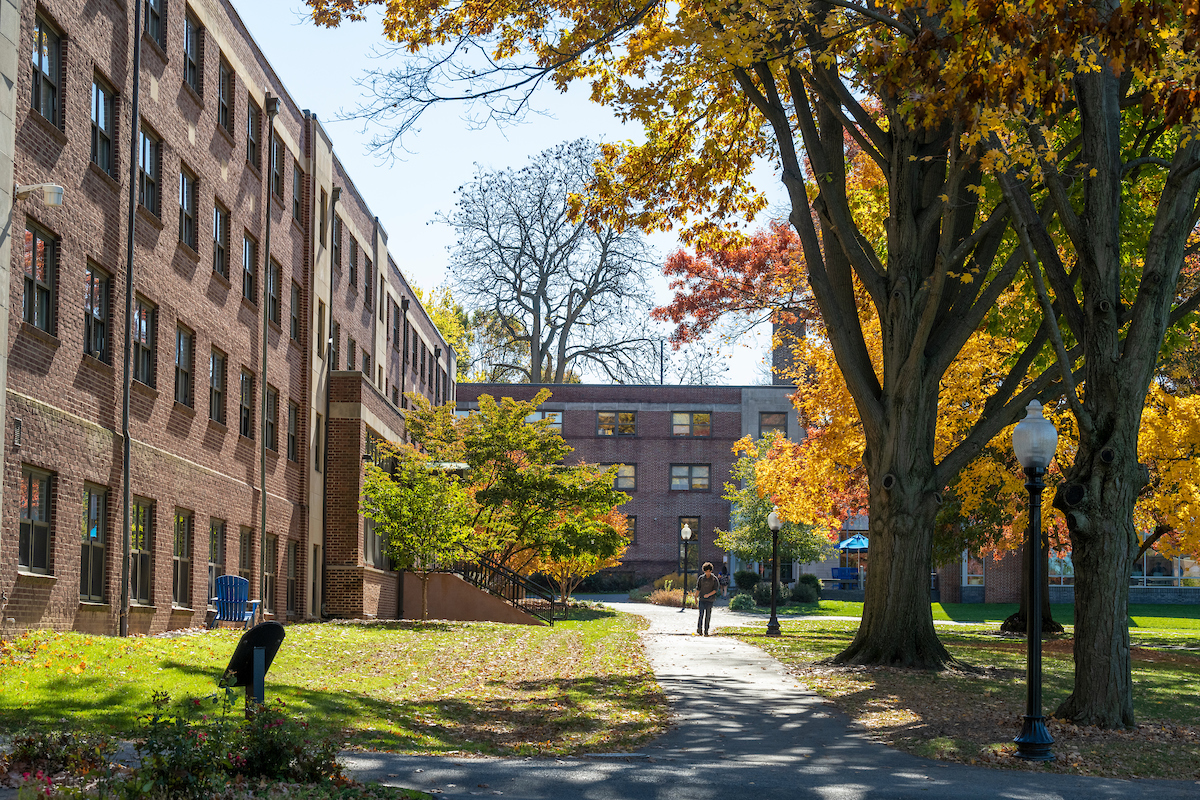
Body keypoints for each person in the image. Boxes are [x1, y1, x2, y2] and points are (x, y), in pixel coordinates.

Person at [696, 562, 720, 636]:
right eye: (706, 571)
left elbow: (715, 590)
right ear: (704, 571)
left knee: (708, 615)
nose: (708, 573)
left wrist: (708, 595)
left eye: (709, 571)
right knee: (701, 615)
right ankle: (699, 629)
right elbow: (698, 589)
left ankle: (706, 630)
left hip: (710, 600)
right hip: (701, 599)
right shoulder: (701, 578)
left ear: (711, 571)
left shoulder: (714, 579)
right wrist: (695, 598)